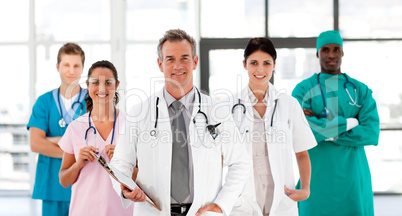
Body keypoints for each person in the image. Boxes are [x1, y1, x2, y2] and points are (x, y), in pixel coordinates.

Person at [110, 29, 252, 216]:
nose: (178, 65)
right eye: (170, 59)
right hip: (153, 211)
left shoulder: (218, 112)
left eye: (184, 58)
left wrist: (221, 204)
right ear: (160, 64)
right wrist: (125, 187)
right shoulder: (139, 112)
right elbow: (121, 162)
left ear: (195, 62)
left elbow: (240, 163)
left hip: (202, 211)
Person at [291, 30, 380, 216]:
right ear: (317, 53)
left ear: (342, 52)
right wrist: (349, 123)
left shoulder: (360, 90)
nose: (331, 55)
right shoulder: (304, 89)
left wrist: (324, 130)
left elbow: (371, 132)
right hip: (316, 177)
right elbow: (297, 128)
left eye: (336, 49)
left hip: (352, 177)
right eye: (325, 50)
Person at [228, 37, 317, 216]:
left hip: (281, 199)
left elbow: (301, 153)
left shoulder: (289, 104)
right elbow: (219, 157)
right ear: (244, 64)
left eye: (266, 63)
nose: (260, 69)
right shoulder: (229, 106)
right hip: (242, 199)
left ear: (274, 65)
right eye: (254, 62)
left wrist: (306, 188)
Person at [58, 60, 133, 216]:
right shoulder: (76, 127)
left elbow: (144, 176)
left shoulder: (131, 125)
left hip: (121, 211)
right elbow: (64, 180)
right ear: (87, 85)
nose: (102, 88)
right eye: (95, 82)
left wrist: (122, 161)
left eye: (108, 83)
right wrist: (78, 164)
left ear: (117, 85)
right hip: (84, 210)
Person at [27, 43, 86, 216]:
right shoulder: (44, 102)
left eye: (76, 66)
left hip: (83, 182)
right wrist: (74, 154)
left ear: (82, 68)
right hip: (52, 185)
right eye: (66, 65)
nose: (71, 70)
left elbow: (96, 142)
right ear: (57, 67)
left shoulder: (92, 101)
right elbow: (36, 144)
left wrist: (52, 140)